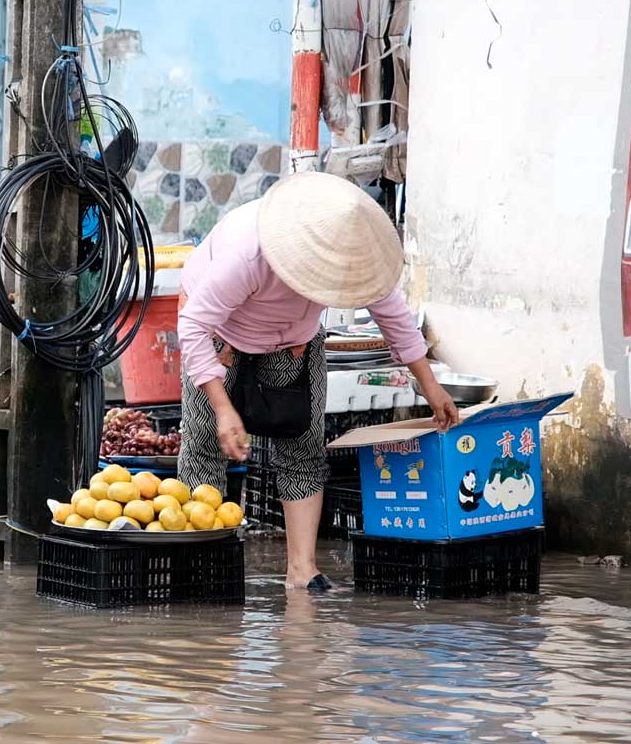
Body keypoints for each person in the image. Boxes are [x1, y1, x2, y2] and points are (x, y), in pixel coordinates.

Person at [175, 171, 459, 591]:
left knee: (303, 450)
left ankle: (302, 572)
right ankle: (201, 570)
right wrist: (222, 408)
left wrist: (430, 385)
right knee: (204, 447)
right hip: (220, 337)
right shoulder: (250, 253)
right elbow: (193, 325)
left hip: (293, 345)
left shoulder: (354, 257)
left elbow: (394, 316)